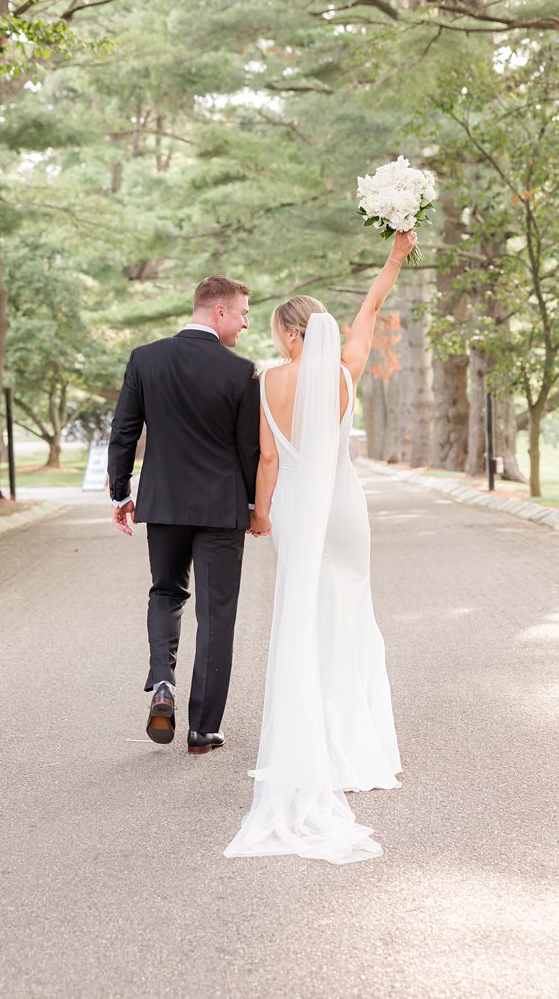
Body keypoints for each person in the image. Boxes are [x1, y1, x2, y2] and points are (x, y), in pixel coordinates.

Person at [224, 230, 416, 864]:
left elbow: (271, 458)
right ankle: (355, 743)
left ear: (286, 334)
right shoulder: (343, 372)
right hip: (346, 508)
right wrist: (394, 257)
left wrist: (259, 515)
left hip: (300, 510)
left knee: (303, 617)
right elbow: (369, 312)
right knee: (351, 612)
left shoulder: (268, 382)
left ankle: (311, 744)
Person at [107, 275, 259, 755]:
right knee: (216, 615)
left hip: (164, 504)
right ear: (219, 312)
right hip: (221, 509)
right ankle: (201, 730)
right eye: (242, 314)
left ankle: (163, 683)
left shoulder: (145, 359)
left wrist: (120, 493)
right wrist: (255, 506)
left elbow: (123, 431)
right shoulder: (241, 372)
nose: (245, 324)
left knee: (166, 592)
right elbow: (249, 450)